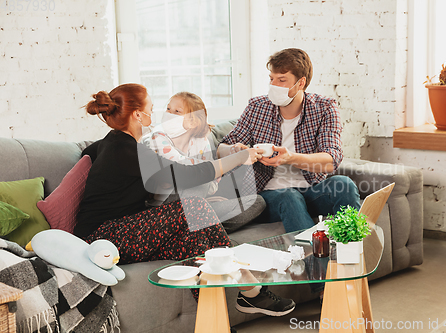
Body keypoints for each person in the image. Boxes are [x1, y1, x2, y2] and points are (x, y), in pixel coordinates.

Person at [74, 83, 295, 316]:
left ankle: (215, 324)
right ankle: (252, 290)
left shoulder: (116, 143)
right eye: (151, 107)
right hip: (102, 238)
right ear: (138, 114)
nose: (156, 113)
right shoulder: (127, 150)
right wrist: (240, 157)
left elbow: (87, 152)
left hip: (128, 233)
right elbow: (187, 175)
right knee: (194, 206)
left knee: (196, 241)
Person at [218, 48, 361, 233]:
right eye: (271, 79)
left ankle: (352, 251)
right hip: (268, 196)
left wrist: (290, 158)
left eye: (281, 80)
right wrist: (235, 152)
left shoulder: (325, 108)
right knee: (289, 196)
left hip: (311, 191)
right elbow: (222, 148)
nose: (273, 85)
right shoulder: (256, 107)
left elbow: (331, 161)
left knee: (344, 185)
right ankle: (314, 259)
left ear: (300, 83)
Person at [141, 91, 266, 233]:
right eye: (168, 109)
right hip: (166, 207)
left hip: (195, 205)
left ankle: (198, 227)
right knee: (195, 178)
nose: (169, 113)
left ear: (193, 121)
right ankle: (199, 226)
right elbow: (187, 172)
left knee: (256, 202)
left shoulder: (201, 141)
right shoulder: (157, 137)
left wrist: (206, 187)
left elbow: (212, 183)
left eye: (177, 111)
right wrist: (207, 175)